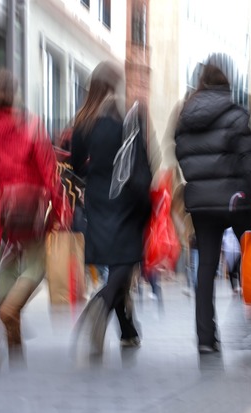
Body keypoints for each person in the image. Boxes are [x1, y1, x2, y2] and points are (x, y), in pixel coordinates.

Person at [0, 69, 64, 350]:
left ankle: (13, 341)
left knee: (6, 270)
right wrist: (58, 210)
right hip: (29, 209)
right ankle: (7, 315)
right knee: (35, 268)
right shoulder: (32, 124)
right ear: (15, 94)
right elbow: (49, 172)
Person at [174, 55, 251, 354]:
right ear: (226, 85)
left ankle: (205, 338)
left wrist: (197, 181)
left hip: (201, 203)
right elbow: (248, 163)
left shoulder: (184, 117)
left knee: (206, 269)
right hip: (234, 200)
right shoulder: (237, 115)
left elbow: (181, 154)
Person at [71, 62, 152, 353]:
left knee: (116, 263)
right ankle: (101, 304)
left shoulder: (84, 119)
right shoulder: (126, 117)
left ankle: (128, 331)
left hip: (97, 199)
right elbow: (142, 162)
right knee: (125, 262)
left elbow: (75, 163)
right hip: (127, 198)